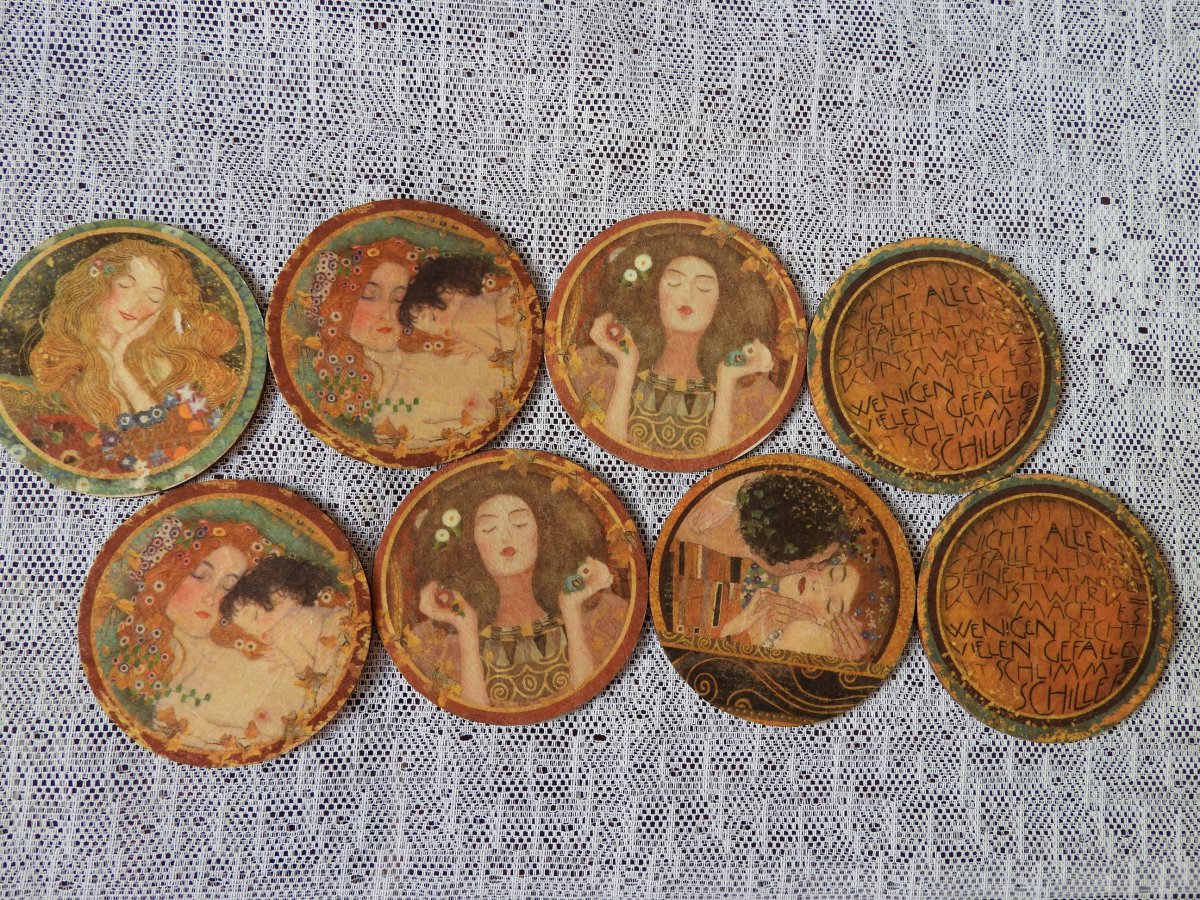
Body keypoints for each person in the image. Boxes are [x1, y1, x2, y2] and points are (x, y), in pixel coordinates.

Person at [397, 471, 629, 709]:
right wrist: (466, 629)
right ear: (470, 542)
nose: (506, 536)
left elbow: (591, 701)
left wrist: (571, 612)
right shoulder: (435, 644)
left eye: (519, 523)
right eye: (489, 528)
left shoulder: (605, 618)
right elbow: (473, 717)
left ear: (543, 532)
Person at [101, 518, 341, 748]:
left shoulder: (268, 645)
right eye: (200, 576)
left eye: (228, 586)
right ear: (166, 576)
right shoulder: (171, 708)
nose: (211, 596)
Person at [16, 239, 241, 473]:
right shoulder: (61, 376)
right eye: (125, 285)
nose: (135, 303)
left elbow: (181, 453)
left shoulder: (174, 369)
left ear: (163, 308)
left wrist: (120, 365)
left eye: (154, 297)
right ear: (99, 285)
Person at [572, 232, 781, 455]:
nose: (687, 294)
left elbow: (723, 466)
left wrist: (727, 382)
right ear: (655, 292)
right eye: (674, 282)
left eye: (703, 287)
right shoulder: (596, 372)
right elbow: (608, 454)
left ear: (723, 302)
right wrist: (626, 366)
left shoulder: (754, 395)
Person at [669, 473, 897, 664]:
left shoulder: (755, 576)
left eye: (830, 604)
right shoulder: (702, 552)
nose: (817, 578)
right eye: (829, 571)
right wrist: (746, 634)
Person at [309, 240, 501, 445]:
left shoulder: (457, 357)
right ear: (342, 303)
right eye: (369, 296)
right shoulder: (347, 389)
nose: (386, 312)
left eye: (399, 298)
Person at [220, 555, 349, 677]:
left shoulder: (280, 630)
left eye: (255, 616)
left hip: (339, 628)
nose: (259, 628)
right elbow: (304, 659)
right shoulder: (280, 631)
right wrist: (288, 657)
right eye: (252, 630)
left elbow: (304, 667)